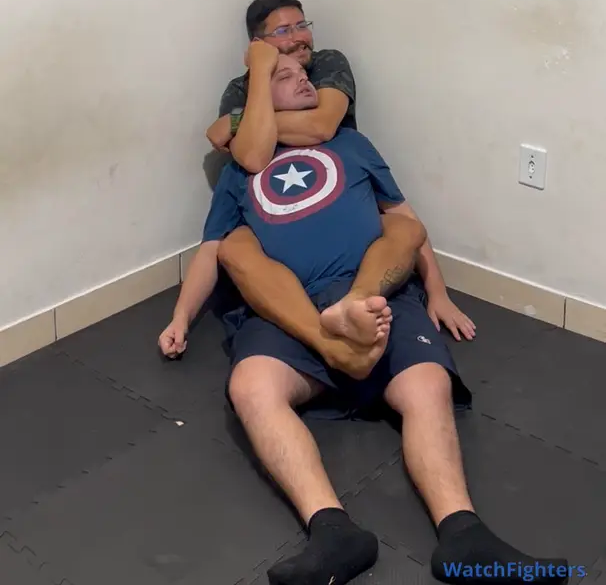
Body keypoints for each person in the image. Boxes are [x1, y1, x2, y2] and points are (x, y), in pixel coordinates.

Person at [160, 55, 566, 585]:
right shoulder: (242, 171)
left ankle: (463, 534)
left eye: (303, 73)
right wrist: (181, 317)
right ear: (258, 100)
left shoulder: (351, 144)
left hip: (371, 295)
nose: (303, 78)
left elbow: (405, 221)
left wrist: (437, 293)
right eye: (284, 76)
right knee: (250, 378)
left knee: (426, 374)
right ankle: (333, 531)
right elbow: (213, 249)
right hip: (291, 310)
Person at [206, 0, 475, 344]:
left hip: (347, 196)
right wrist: (259, 78)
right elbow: (253, 158)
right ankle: (326, 340)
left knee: (402, 228)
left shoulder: (326, 63)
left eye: (302, 25)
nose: (299, 37)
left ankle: (355, 307)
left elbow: (321, 126)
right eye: (283, 31)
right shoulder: (241, 87)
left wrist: (244, 121)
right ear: (258, 45)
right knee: (236, 249)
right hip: (281, 220)